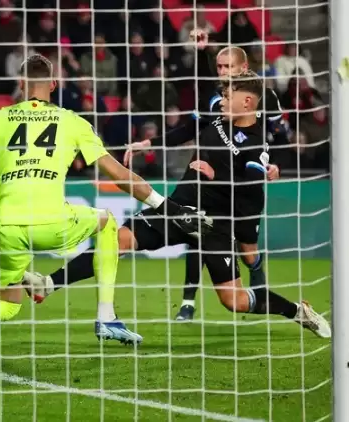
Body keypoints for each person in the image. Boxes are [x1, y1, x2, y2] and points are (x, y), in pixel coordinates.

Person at [25, 72, 331, 339]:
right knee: (118, 240)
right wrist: (149, 143)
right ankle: (49, 283)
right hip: (177, 208)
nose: (222, 101)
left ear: (248, 102)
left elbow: (252, 185)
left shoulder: (255, 142)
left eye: (229, 97)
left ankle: (297, 311)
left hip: (214, 226)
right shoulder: (215, 115)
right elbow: (186, 130)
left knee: (234, 301)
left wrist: (218, 175)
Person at [0, 54, 212, 348]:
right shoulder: (72, 122)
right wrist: (169, 209)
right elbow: (119, 175)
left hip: (7, 228)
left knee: (7, 304)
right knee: (107, 222)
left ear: (20, 83)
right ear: (54, 84)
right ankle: (106, 316)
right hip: (52, 224)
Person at [124, 29, 290, 321]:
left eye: (229, 67)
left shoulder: (265, 99)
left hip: (244, 180)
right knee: (196, 230)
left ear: (244, 68)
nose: (223, 72)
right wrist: (149, 143)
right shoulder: (217, 101)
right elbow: (189, 128)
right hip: (207, 175)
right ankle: (188, 301)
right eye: (220, 67)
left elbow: (279, 137)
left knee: (247, 251)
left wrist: (275, 163)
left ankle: (258, 281)